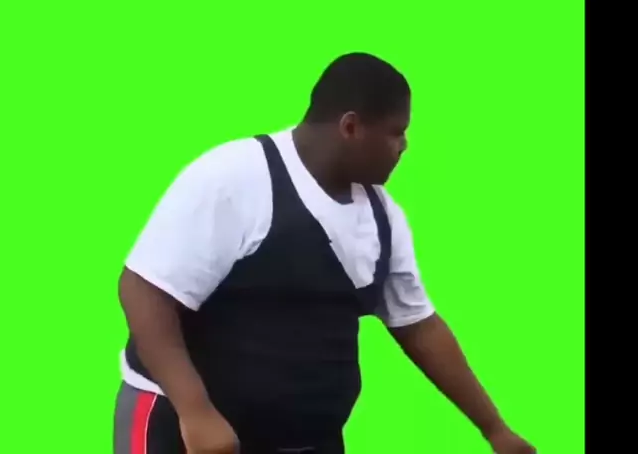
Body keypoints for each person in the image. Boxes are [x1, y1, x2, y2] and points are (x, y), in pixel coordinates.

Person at [113, 52, 535, 454]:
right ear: (351, 126)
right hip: (186, 430)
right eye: (396, 131)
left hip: (307, 439)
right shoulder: (234, 178)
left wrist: (494, 429)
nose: (404, 145)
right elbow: (143, 290)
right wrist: (195, 411)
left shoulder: (383, 215)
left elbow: (418, 326)